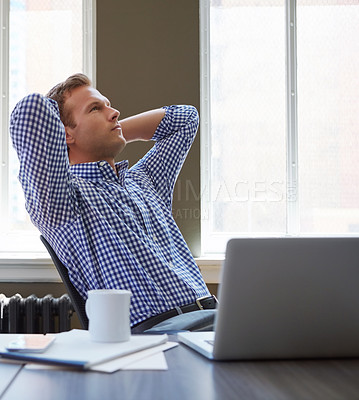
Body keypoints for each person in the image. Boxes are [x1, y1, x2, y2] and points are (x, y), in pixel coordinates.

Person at [10, 73, 217, 333]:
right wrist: (80, 135)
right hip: (157, 336)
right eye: (95, 108)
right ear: (63, 133)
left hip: (215, 318)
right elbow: (31, 111)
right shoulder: (62, 199)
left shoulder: (146, 180)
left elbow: (185, 119)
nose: (115, 112)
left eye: (109, 105)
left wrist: (112, 131)